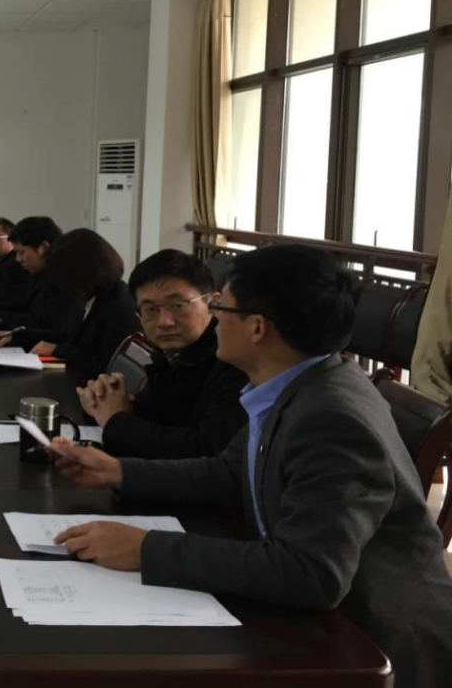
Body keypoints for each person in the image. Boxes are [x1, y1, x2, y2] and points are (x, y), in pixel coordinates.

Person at [47, 244, 452, 688]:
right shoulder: (297, 382)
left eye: (221, 307)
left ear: (257, 327)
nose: (215, 318)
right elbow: (229, 472)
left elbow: (312, 573)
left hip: (371, 645)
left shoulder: (331, 418)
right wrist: (117, 471)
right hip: (321, 621)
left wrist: (144, 549)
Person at [76, 249, 247, 459]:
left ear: (214, 304)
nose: (164, 322)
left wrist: (117, 421)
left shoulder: (236, 362)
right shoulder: (170, 355)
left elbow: (207, 450)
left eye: (177, 306)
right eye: (150, 309)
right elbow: (157, 416)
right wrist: (101, 402)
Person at [0, 228, 138, 381]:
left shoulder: (118, 307)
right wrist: (20, 336)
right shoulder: (92, 295)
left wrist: (58, 350)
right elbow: (68, 335)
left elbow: (106, 368)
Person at [0, 217, 82, 345]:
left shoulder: (64, 278)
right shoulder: (39, 271)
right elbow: (26, 306)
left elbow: (50, 323)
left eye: (21, 252)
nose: (18, 259)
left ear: (43, 248)